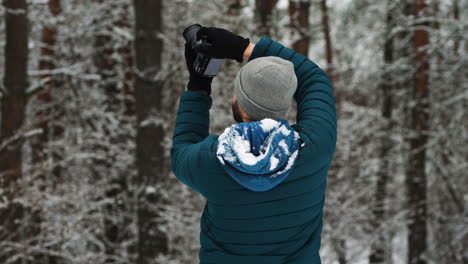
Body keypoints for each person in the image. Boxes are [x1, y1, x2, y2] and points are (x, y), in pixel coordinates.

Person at [170, 25, 337, 264]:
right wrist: (241, 47)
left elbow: (182, 149)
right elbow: (313, 78)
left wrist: (199, 84)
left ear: (237, 100)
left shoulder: (211, 160)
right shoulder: (314, 148)